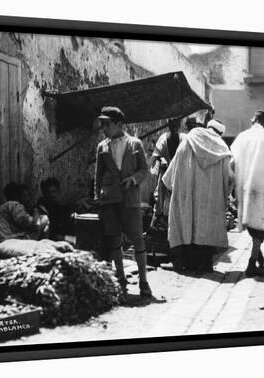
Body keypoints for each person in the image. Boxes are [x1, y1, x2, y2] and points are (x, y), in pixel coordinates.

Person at [94, 106, 152, 298]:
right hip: (110, 199)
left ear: (119, 124)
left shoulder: (135, 144)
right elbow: (98, 175)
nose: (103, 128)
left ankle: (143, 282)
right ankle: (121, 279)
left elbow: (145, 169)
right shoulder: (102, 147)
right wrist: (98, 197)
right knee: (114, 238)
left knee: (137, 238)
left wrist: (133, 179)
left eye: (107, 124)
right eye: (102, 124)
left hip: (130, 200)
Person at [162, 119, 233, 272]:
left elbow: (172, 170)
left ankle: (185, 263)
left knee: (186, 224)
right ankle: (206, 264)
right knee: (206, 228)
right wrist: (225, 194)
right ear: (220, 133)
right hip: (210, 199)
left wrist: (171, 188)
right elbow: (230, 178)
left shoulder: (188, 140)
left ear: (207, 127)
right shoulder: (223, 149)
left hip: (187, 194)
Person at [230, 110, 264, 277]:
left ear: (254, 121)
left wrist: (235, 182)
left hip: (246, 187)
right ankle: (252, 261)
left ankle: (256, 256)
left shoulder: (242, 137)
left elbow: (232, 163)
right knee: (261, 224)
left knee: (252, 223)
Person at [149, 119, 185, 229]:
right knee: (161, 196)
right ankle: (159, 220)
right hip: (165, 172)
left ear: (179, 125)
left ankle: (176, 223)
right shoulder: (163, 138)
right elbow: (155, 155)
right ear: (168, 125)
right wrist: (161, 159)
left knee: (178, 197)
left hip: (179, 173)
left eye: (176, 125)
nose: (174, 127)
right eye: (172, 125)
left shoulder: (184, 138)